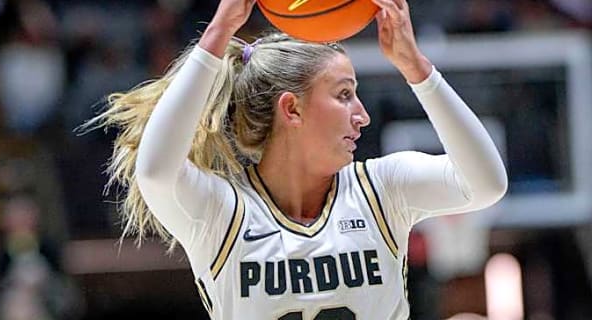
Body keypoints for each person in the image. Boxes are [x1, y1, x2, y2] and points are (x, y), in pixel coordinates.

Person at [86, 0, 507, 318]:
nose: (363, 115)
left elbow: (486, 183)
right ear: (292, 110)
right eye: (344, 95)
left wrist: (416, 67)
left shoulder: (383, 189)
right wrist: (218, 33)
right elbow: (156, 170)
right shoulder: (224, 213)